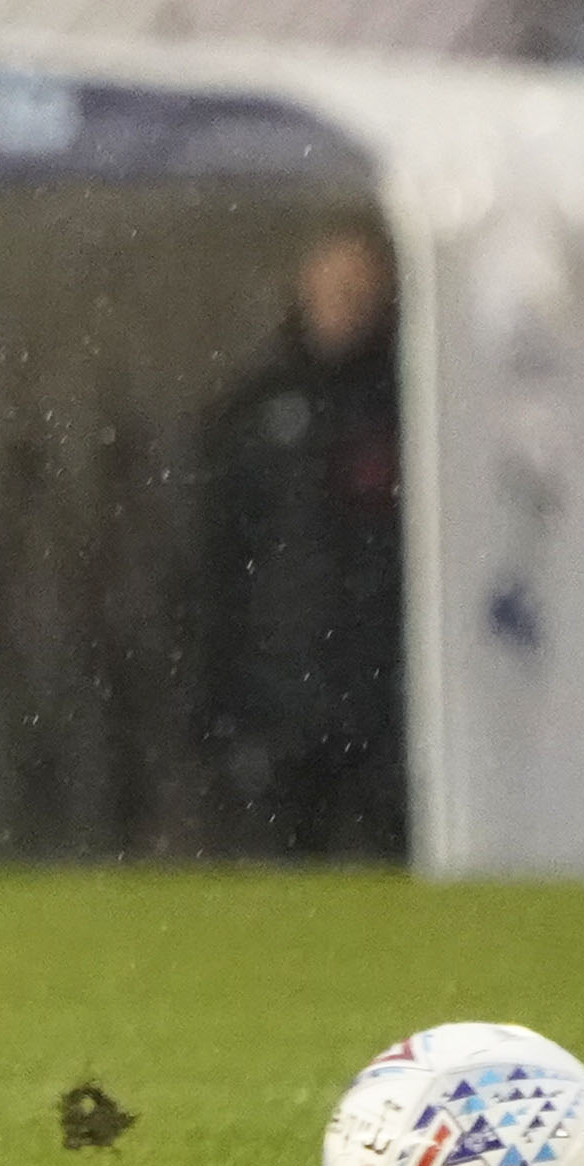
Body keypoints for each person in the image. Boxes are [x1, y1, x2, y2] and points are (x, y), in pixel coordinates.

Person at [189, 220, 405, 858]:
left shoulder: (406, 407)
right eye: (335, 287)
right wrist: (221, 701)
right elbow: (218, 562)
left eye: (359, 290)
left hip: (381, 695)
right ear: (305, 287)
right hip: (282, 694)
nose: (345, 305)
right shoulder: (258, 409)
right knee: (283, 870)